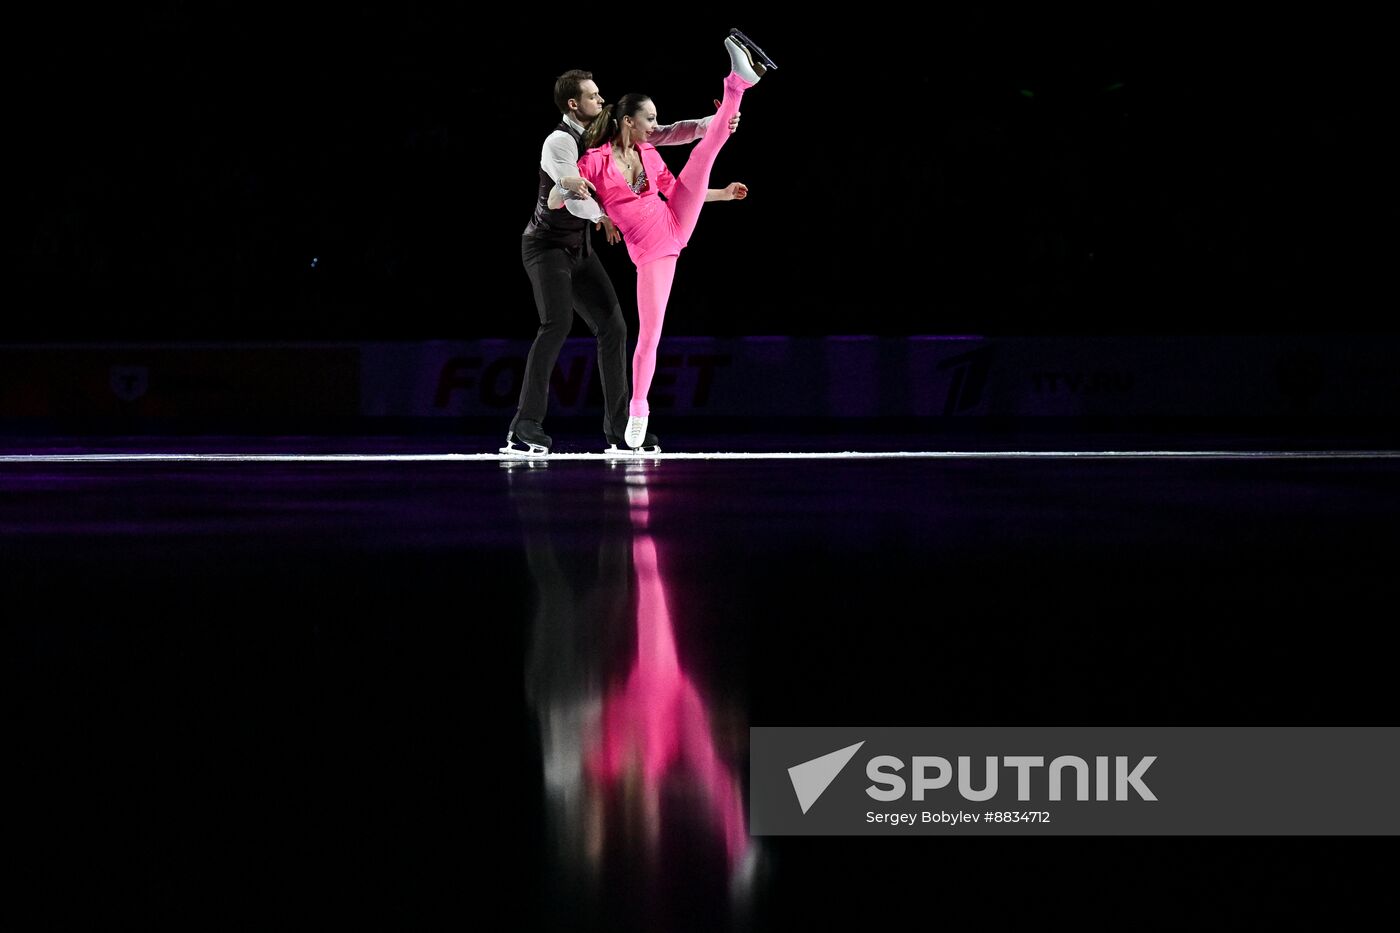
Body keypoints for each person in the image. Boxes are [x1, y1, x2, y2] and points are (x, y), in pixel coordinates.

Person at [503, 68, 741, 457]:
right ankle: (524, 427)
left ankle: (621, 431)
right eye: (593, 96)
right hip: (546, 245)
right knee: (557, 323)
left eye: (600, 95)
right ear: (572, 104)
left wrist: (712, 123)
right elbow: (567, 190)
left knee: (613, 327)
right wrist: (598, 214)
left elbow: (662, 133)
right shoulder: (559, 142)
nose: (601, 100)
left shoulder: (610, 132)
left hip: (579, 246)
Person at [560, 29, 776, 449]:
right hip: (653, 253)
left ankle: (738, 82)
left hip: (677, 217)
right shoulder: (594, 162)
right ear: (628, 122)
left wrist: (722, 194)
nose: (655, 127)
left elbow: (681, 185)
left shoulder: (648, 152)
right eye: (650, 120)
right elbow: (568, 195)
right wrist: (568, 195)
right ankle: (638, 407)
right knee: (650, 334)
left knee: (707, 153)